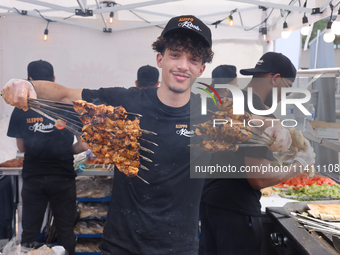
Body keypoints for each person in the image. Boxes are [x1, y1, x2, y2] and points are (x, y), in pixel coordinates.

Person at [2, 17, 293, 254]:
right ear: (160, 58)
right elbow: (64, 93)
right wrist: (26, 86)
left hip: (180, 248)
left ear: (201, 69)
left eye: (193, 60)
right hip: (121, 245)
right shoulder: (125, 102)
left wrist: (276, 127)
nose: (182, 66)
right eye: (175, 55)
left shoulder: (212, 111)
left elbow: (253, 119)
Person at [199, 52, 316, 255]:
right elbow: (259, 178)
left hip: (210, 205)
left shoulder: (233, 102)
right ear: (274, 79)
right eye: (287, 87)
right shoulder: (259, 113)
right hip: (236, 213)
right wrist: (300, 164)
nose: (284, 95)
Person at [6, 60, 88, 255]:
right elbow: (84, 144)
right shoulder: (69, 107)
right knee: (65, 231)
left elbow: (21, 147)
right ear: (53, 80)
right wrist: (67, 151)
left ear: (30, 80)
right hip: (63, 178)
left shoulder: (20, 109)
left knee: (30, 233)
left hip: (34, 178)